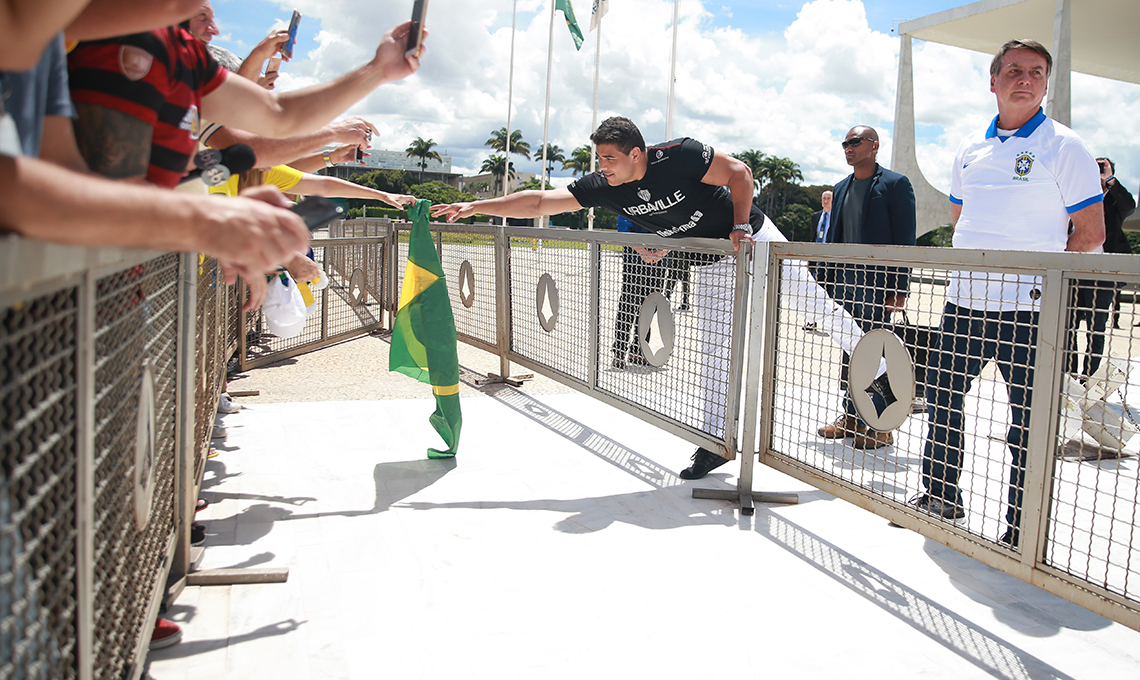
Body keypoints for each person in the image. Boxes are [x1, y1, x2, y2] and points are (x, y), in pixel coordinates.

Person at [432, 116, 884, 480]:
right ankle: (715, 444)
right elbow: (538, 203)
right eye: (598, 158)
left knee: (815, 308)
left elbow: (740, 174)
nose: (602, 166)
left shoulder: (681, 155)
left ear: (636, 153)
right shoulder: (603, 184)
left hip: (753, 238)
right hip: (707, 259)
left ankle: (883, 372)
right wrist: (476, 207)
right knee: (714, 351)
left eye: (609, 157)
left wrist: (741, 225)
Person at [915, 39, 1104, 548]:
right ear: (993, 80)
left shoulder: (1065, 145)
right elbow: (962, 218)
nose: (1026, 79)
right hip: (964, 305)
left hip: (1030, 312)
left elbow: (1090, 233)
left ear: (1046, 83)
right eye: (1015, 70)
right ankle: (939, 496)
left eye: (1037, 73)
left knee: (1028, 422)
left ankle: (1021, 527)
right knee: (943, 400)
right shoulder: (970, 147)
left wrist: (1042, 280)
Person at [816, 126, 915, 450]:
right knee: (850, 349)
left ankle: (882, 425)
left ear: (873, 147)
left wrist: (899, 287)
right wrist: (827, 282)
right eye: (845, 143)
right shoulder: (841, 187)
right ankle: (852, 417)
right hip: (845, 283)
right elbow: (834, 239)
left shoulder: (895, 185)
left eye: (855, 142)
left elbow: (905, 239)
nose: (848, 147)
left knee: (875, 352)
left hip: (876, 285)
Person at [613, 215, 666, 367]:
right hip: (634, 260)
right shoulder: (630, 196)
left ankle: (638, 349)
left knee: (650, 307)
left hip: (659, 261)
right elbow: (623, 227)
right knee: (628, 305)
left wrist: (662, 251)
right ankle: (619, 350)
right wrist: (642, 251)